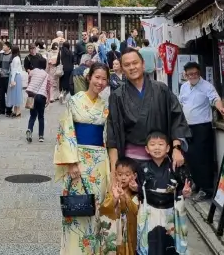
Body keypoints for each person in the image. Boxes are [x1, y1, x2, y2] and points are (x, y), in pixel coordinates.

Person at [55, 62, 111, 254]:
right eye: (97, 77)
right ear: (89, 77)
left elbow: (107, 135)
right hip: (78, 159)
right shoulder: (75, 100)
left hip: (99, 162)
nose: (100, 82)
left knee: (96, 208)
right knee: (78, 207)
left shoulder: (105, 105)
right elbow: (66, 131)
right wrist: (71, 162)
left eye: (104, 79)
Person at [107, 48, 191, 177]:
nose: (132, 67)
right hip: (131, 162)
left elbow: (176, 118)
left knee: (162, 195)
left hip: (161, 157)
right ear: (122, 69)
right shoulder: (117, 96)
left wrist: (176, 148)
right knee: (134, 196)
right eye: (127, 65)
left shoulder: (161, 89)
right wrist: (114, 170)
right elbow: (113, 133)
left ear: (143, 64)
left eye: (135, 63)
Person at [178, 61, 224, 200]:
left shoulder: (207, 86)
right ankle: (197, 183)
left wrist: (221, 109)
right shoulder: (184, 87)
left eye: (195, 73)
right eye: (190, 74)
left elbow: (215, 99)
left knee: (203, 159)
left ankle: (207, 189)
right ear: (186, 75)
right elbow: (181, 103)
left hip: (202, 127)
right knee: (190, 157)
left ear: (199, 73)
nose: (193, 76)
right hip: (187, 127)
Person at [136, 132, 192, 254]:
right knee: (151, 242)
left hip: (170, 211)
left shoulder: (175, 167)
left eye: (161, 144)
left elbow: (183, 187)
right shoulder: (142, 167)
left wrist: (184, 192)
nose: (157, 148)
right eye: (153, 144)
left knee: (169, 243)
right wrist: (136, 188)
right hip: (151, 211)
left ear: (167, 148)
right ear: (147, 149)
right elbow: (140, 191)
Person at [99, 158, 139, 255]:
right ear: (116, 175)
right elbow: (104, 209)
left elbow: (135, 211)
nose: (123, 178)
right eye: (120, 175)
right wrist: (115, 199)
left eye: (127, 175)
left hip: (129, 233)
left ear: (134, 176)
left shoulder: (135, 194)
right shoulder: (112, 191)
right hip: (115, 231)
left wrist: (124, 196)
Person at [26, 57, 51, 143]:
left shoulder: (32, 72)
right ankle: (41, 136)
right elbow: (48, 88)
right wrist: (48, 98)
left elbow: (29, 82)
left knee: (32, 116)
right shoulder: (46, 75)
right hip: (41, 96)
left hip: (32, 95)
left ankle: (29, 129)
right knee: (41, 116)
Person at [0, 41, 13, 116]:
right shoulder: (0, 55)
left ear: (8, 47)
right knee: (0, 94)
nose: (3, 47)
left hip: (8, 78)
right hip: (0, 77)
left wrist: (8, 72)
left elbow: (13, 67)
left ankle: (9, 110)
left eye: (5, 46)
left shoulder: (12, 56)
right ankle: (1, 110)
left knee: (9, 94)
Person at [6, 46, 24, 117]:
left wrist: (12, 80)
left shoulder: (15, 59)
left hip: (15, 76)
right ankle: (16, 110)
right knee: (16, 93)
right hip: (17, 76)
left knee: (15, 93)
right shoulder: (17, 58)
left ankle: (18, 111)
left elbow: (14, 70)